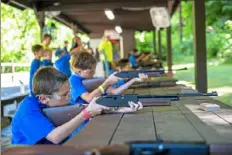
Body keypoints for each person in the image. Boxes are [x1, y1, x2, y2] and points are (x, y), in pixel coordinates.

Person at [12, 67, 142, 145]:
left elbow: (88, 107)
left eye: (69, 92)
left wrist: (120, 110)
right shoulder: (27, 112)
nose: (69, 97)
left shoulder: (55, 102)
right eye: (65, 94)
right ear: (43, 98)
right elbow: (55, 137)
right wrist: (85, 115)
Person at [69, 51, 148, 104]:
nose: (93, 73)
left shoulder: (89, 79)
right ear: (79, 71)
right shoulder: (74, 80)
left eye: (94, 70)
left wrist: (133, 79)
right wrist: (107, 82)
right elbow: (89, 99)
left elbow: (115, 92)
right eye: (91, 71)